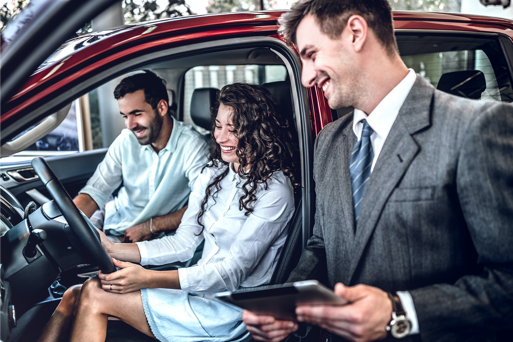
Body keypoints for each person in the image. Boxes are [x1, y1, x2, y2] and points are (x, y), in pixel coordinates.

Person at [243, 1, 513, 341]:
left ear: (356, 33)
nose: (306, 76)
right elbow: (320, 247)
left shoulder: (475, 128)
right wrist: (285, 309)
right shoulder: (328, 142)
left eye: (311, 54)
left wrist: (399, 311)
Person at [38, 83, 297, 342]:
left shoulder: (275, 191)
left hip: (230, 311)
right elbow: (184, 243)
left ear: (257, 131)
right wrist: (112, 249)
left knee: (95, 293)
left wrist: (149, 278)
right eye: (218, 126)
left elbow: (231, 273)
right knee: (75, 293)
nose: (220, 138)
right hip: (198, 293)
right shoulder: (214, 173)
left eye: (234, 130)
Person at [74, 70, 208, 243]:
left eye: (137, 114)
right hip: (111, 222)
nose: (130, 125)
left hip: (152, 239)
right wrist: (66, 225)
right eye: (125, 116)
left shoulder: (193, 145)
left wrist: (151, 226)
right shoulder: (126, 139)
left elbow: (205, 205)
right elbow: (95, 192)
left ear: (161, 108)